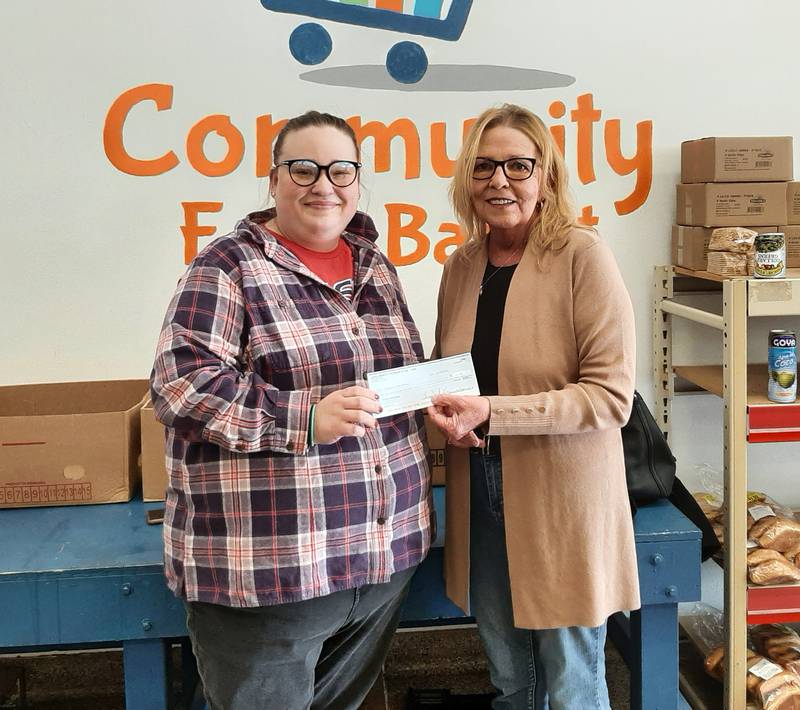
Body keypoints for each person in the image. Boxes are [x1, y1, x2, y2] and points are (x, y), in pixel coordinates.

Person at [150, 110, 432, 710]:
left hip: (378, 562)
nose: (323, 185)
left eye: (341, 170)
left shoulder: (376, 268)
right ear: (273, 179)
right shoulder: (227, 267)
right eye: (303, 168)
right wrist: (304, 417)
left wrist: (437, 402)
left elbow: (389, 384)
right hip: (273, 575)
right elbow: (182, 386)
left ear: (358, 181)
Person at [427, 104, 639, 710]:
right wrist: (438, 412)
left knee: (572, 678)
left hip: (562, 495)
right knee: (507, 673)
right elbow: (449, 374)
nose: (500, 181)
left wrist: (491, 413)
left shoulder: (582, 255)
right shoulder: (461, 266)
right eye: (485, 167)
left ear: (546, 174)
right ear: (468, 179)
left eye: (519, 165)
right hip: (479, 490)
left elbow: (609, 396)